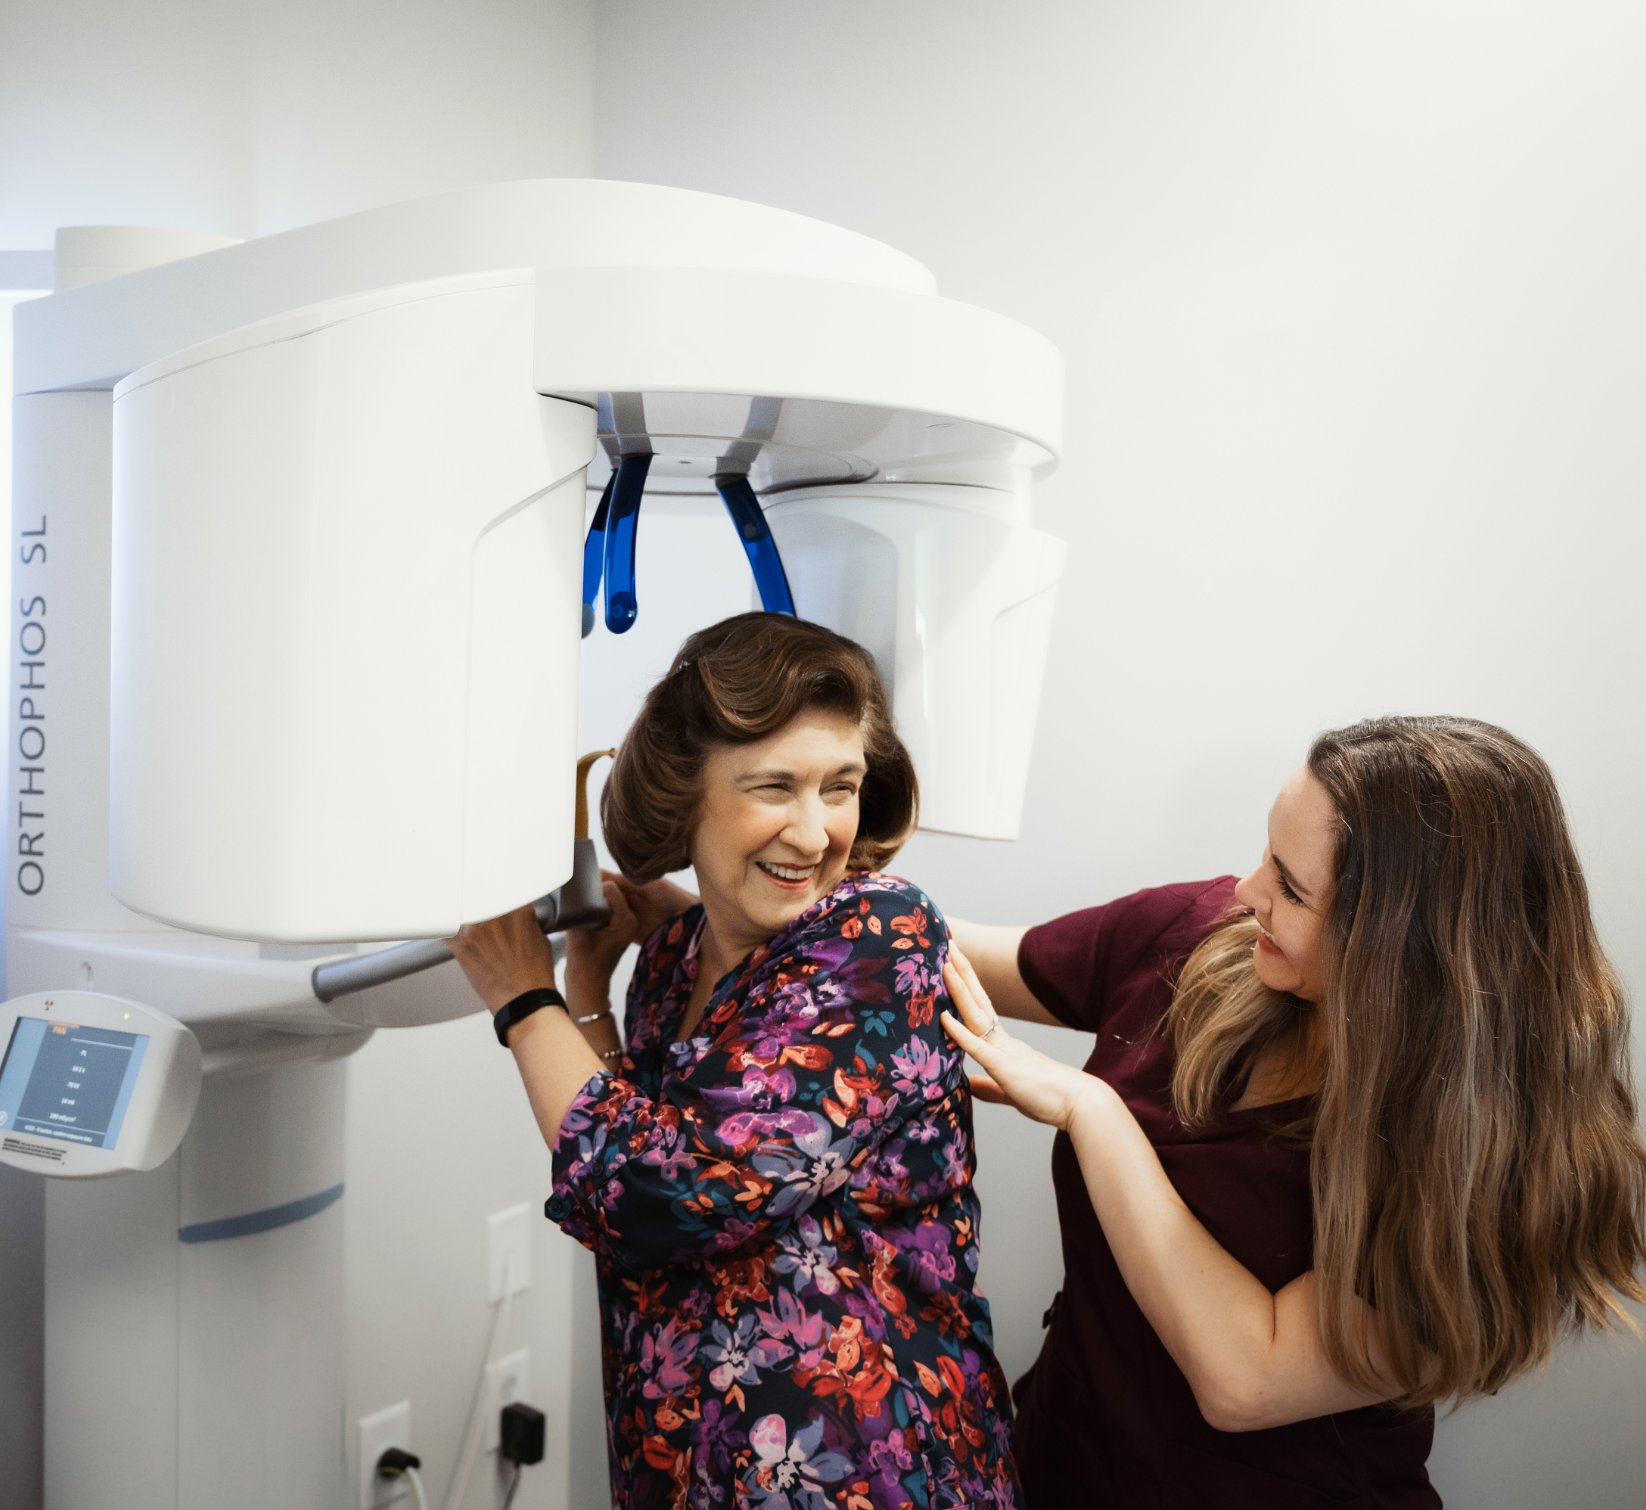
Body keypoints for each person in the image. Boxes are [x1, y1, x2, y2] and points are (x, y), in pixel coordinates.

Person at [940, 716, 1646, 1509]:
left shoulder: (1491, 1168)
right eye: (1267, 856)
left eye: (1291, 885)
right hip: (1059, 1463)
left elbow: (1245, 1381)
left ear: (1403, 953)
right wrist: (818, 866)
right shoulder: (1202, 935)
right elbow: (945, 958)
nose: (1248, 893)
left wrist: (1092, 1112)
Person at [449, 612, 1022, 1510]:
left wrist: (526, 1001)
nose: (813, 832)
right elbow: (623, 1157)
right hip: (690, 1472)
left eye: (840, 787)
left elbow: (661, 1192)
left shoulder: (879, 936)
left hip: (868, 1476)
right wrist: (593, 988)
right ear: (688, 799)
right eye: (773, 788)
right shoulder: (676, 960)